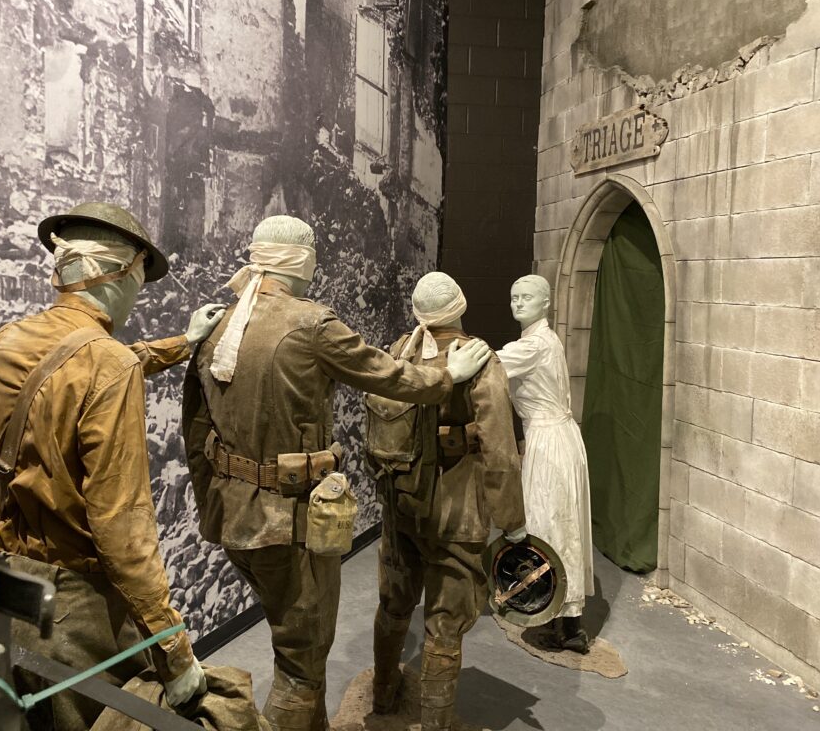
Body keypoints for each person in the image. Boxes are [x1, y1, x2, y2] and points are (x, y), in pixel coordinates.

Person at [181, 215, 491, 731]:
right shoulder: (311, 324)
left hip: (234, 516)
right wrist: (447, 376)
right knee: (301, 662)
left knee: (294, 643)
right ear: (301, 262)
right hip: (291, 523)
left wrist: (209, 502)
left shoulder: (218, 324)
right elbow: (386, 374)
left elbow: (196, 428)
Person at [0, 202, 225, 730]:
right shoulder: (107, 365)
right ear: (118, 275)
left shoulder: (9, 341)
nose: (139, 295)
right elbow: (124, 531)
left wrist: (182, 344)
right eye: (140, 279)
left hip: (9, 586)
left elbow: (79, 370)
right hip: (78, 612)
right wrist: (174, 648)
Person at [369, 272, 526, 731]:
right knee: (445, 620)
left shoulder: (398, 353)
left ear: (419, 314)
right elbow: (500, 449)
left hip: (400, 504)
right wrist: (512, 522)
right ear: (459, 307)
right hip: (457, 509)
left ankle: (382, 696)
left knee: (394, 604)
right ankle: (435, 722)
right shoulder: (478, 358)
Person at [495, 274, 594, 653]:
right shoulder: (539, 340)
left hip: (550, 442)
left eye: (526, 298)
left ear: (545, 303)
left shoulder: (535, 344)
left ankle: (566, 624)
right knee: (558, 523)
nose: (518, 304)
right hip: (556, 438)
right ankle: (563, 618)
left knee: (552, 525)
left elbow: (490, 365)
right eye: (514, 297)